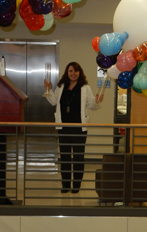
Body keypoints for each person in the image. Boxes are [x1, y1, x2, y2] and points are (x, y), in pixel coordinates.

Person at [43, 62, 103, 194]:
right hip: (63, 126)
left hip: (79, 128)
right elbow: (53, 101)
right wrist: (48, 90)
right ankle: (65, 184)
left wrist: (97, 100)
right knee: (64, 157)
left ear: (79, 73)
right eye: (70, 71)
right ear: (67, 72)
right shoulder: (60, 86)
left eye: (76, 71)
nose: (73, 73)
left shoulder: (85, 87)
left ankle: (76, 185)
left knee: (78, 157)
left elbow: (91, 104)